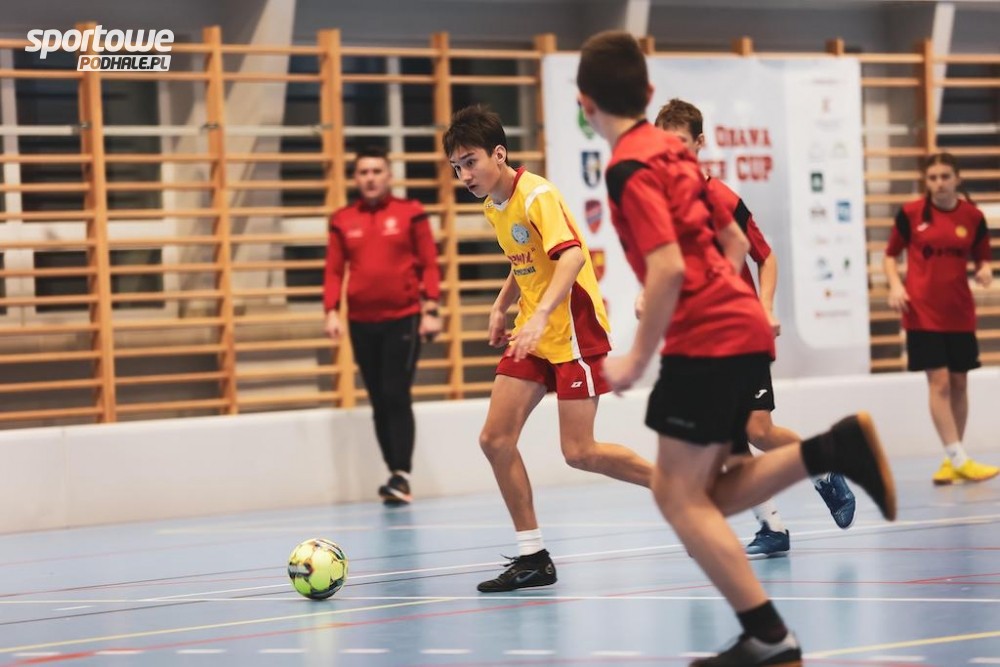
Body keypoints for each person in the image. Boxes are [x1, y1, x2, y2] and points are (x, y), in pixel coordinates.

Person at [577, 31, 896, 666]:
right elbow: (732, 241)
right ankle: (830, 457)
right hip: (738, 326)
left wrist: (636, 357)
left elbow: (668, 267)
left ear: (586, 104)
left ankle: (771, 636)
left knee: (677, 498)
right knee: (704, 495)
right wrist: (723, 294)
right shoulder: (677, 160)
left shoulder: (630, 166)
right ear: (647, 92)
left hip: (708, 338)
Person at [443, 105, 655, 593]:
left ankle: (677, 488)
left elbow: (571, 255)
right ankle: (533, 557)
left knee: (579, 453)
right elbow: (525, 261)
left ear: (499, 154)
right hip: (533, 334)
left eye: (471, 162)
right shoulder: (494, 205)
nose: (465, 175)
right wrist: (502, 305)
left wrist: (540, 315)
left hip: (573, 331)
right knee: (495, 440)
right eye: (456, 167)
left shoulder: (537, 194)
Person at [653, 98, 857, 559]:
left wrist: (765, 307)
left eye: (680, 143)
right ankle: (772, 527)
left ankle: (825, 466)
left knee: (759, 429)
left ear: (699, 143)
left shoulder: (723, 199)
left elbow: (766, 257)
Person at [322, 145, 443, 505]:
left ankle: (401, 474)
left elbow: (429, 263)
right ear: (355, 178)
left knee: (395, 393)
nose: (370, 178)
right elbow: (333, 270)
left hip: (404, 318)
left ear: (389, 175)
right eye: (364, 172)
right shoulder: (343, 219)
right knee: (378, 398)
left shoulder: (411, 213)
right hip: (361, 322)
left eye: (376, 171)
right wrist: (331, 311)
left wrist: (431, 308)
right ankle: (395, 475)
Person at [883, 152, 997, 485]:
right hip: (922, 314)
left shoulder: (973, 216)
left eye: (945, 176)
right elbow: (890, 256)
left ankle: (952, 458)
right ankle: (960, 458)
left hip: (959, 313)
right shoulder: (910, 214)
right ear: (926, 181)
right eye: (932, 178)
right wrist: (895, 286)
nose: (939, 183)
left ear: (957, 178)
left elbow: (983, 259)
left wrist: (986, 271)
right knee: (940, 383)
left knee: (960, 383)